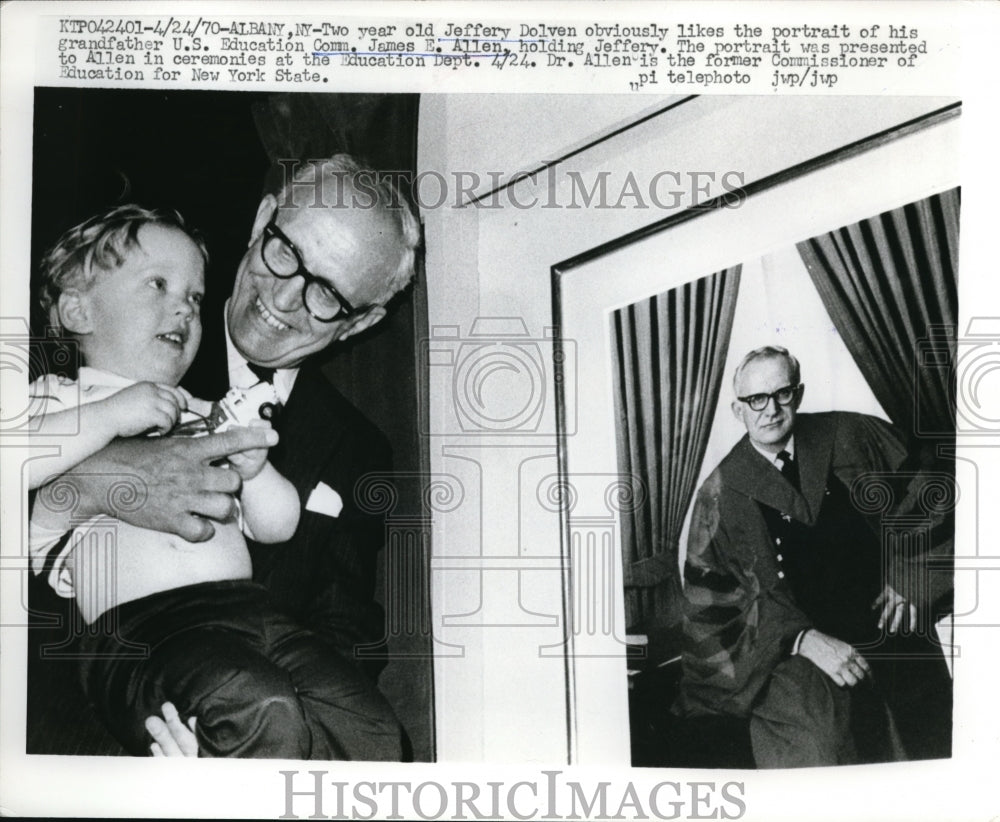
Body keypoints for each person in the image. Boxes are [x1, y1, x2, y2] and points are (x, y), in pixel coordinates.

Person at [30, 154, 422, 757]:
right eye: (286, 252)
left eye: (327, 294)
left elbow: (344, 632)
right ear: (264, 217)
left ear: (361, 321)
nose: (287, 298)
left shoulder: (358, 447)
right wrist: (94, 483)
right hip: (83, 727)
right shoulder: (118, 310)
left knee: (376, 737)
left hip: (259, 655)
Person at [675, 345, 952, 768]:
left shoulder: (851, 435)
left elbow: (931, 487)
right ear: (738, 409)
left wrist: (912, 576)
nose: (770, 410)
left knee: (935, 734)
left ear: (798, 394)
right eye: (756, 400)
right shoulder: (721, 493)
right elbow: (714, 606)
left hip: (887, 619)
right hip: (796, 650)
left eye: (781, 394)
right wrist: (800, 639)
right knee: (824, 743)